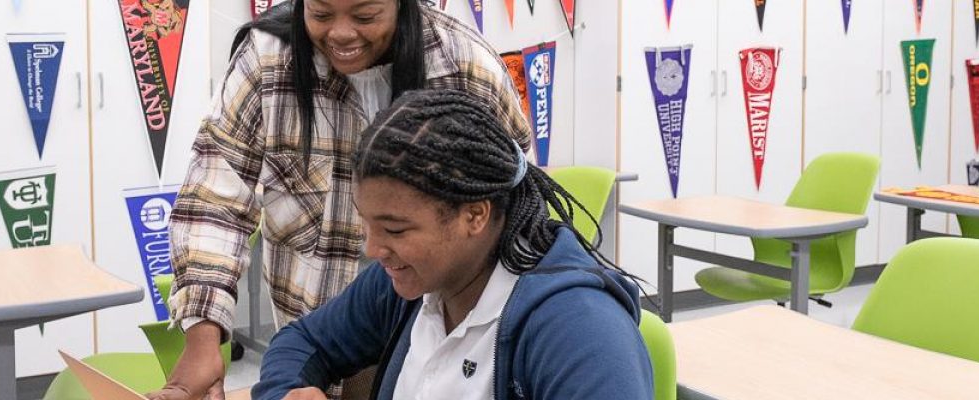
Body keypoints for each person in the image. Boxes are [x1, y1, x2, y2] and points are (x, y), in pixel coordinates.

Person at [152, 0, 532, 397]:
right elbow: (215, 199)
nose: (341, 33)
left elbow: (516, 212)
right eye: (320, 14)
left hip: (442, 362)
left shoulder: (463, 65)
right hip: (313, 351)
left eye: (365, 16)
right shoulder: (268, 59)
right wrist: (203, 342)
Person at [251, 89, 654, 400]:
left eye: (395, 229)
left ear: (474, 215)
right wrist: (286, 391)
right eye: (367, 224)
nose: (373, 249)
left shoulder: (579, 329)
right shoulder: (408, 285)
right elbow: (304, 341)